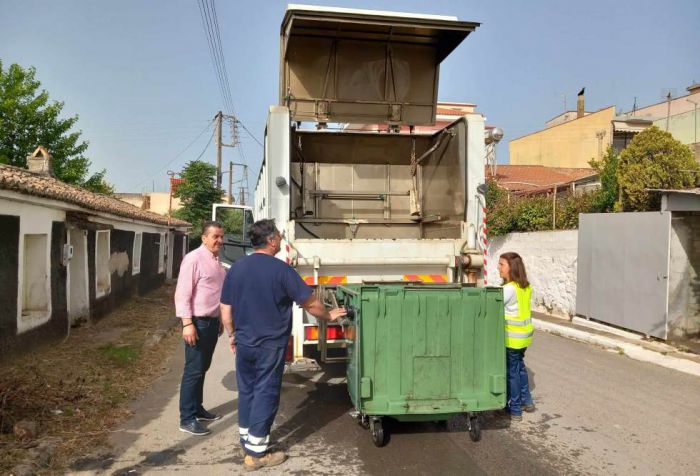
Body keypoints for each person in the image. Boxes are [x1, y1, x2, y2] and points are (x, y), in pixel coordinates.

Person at [220, 219, 346, 472]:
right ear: (271, 240)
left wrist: (232, 335)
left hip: (244, 342)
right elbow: (310, 303)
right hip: (269, 344)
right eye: (278, 235)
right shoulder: (282, 271)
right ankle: (256, 454)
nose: (280, 238)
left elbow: (225, 309)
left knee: (248, 390)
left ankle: (248, 439)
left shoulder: (237, 268)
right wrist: (330, 315)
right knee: (266, 392)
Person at [174, 221, 227, 436]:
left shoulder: (215, 260)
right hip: (197, 322)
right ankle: (186, 418)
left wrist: (221, 319)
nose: (219, 241)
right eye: (215, 236)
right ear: (204, 238)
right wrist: (187, 324)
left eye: (221, 236)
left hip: (212, 322)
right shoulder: (193, 259)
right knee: (193, 370)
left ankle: (197, 408)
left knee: (202, 368)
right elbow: (182, 293)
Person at [498, 252, 536, 422]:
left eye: (502, 265)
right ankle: (527, 402)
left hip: (512, 339)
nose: (498, 268)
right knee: (520, 368)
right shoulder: (526, 287)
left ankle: (514, 409)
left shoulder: (508, 289)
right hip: (524, 337)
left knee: (512, 372)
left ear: (511, 268)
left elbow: (492, 306)